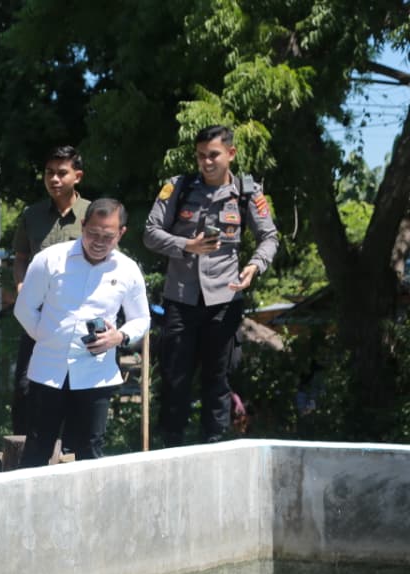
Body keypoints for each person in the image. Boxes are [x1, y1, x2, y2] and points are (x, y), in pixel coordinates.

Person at [142, 125, 278, 446]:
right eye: (201, 155)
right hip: (181, 299)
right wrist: (185, 245)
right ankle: (170, 450)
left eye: (214, 155)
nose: (206, 162)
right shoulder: (178, 187)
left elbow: (269, 237)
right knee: (175, 380)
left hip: (225, 299)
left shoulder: (247, 193)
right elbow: (149, 232)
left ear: (231, 154)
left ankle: (214, 448)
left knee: (217, 381)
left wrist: (254, 265)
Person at [14, 198, 150, 467]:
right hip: (48, 371)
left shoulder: (128, 269)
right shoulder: (50, 259)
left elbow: (141, 319)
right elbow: (24, 308)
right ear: (83, 225)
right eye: (92, 233)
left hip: (95, 373)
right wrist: (46, 336)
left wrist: (119, 337)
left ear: (121, 233)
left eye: (108, 237)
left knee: (90, 449)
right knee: (37, 448)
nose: (99, 242)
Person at [11, 146, 90, 437]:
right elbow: (20, 257)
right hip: (39, 319)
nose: (54, 179)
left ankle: (69, 453)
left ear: (77, 176)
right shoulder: (31, 215)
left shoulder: (92, 214)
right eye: (49, 173)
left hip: (77, 320)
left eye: (62, 173)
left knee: (74, 388)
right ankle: (22, 453)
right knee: (25, 386)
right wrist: (21, 286)